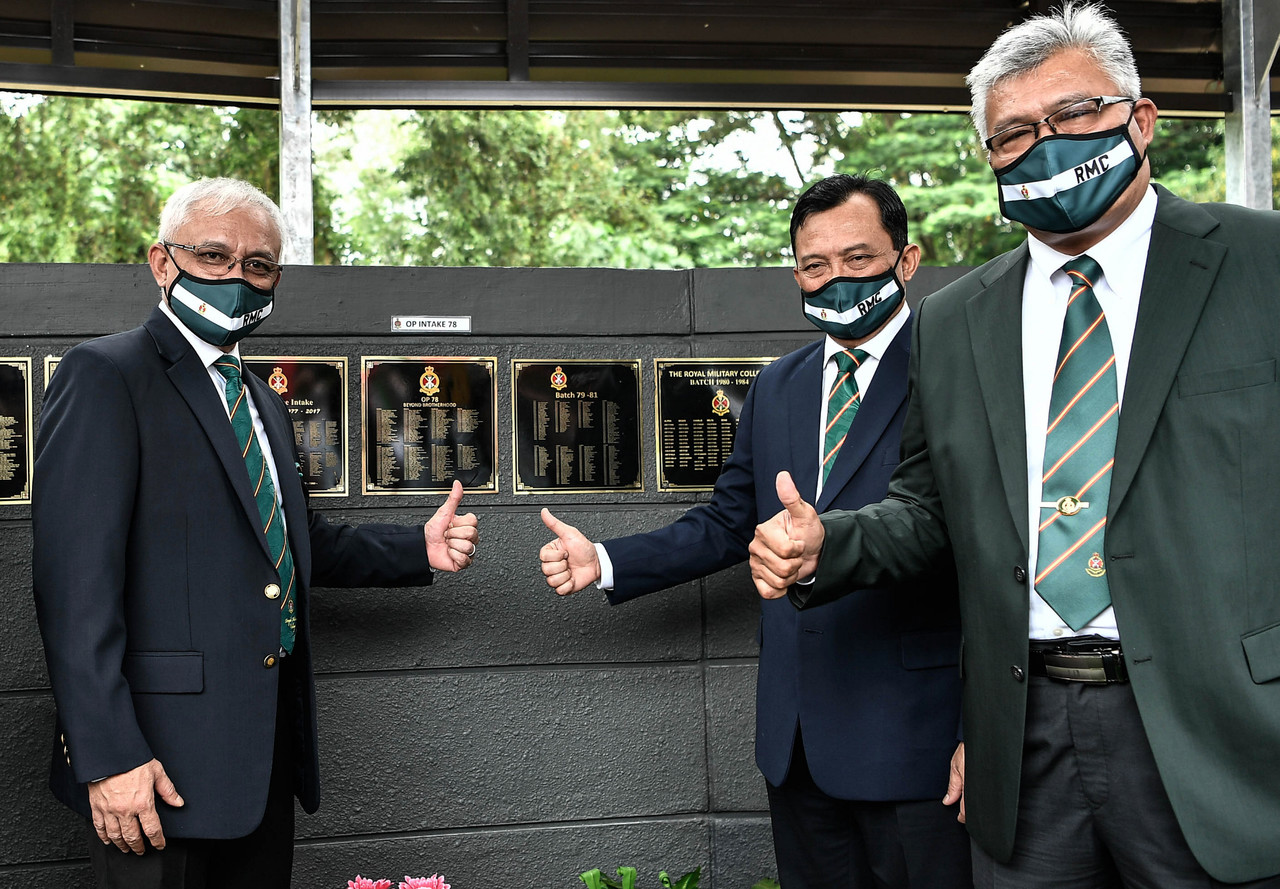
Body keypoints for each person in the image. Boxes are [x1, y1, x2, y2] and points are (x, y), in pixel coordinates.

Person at [748, 4, 1280, 887]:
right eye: (1014, 132)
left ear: (1141, 119)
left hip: (1223, 731)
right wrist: (826, 545)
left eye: (1075, 113)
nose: (1047, 143)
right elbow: (928, 508)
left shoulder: (1261, 264)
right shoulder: (956, 320)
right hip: (1024, 737)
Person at [31, 177, 480, 889]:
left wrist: (414, 549)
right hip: (152, 770)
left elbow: (283, 541)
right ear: (162, 262)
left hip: (261, 759)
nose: (236, 277)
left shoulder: (261, 400)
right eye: (214, 256)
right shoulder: (107, 374)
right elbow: (73, 586)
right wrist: (109, 756)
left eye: (258, 264)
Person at [539, 174, 970, 889]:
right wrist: (605, 560)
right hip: (797, 745)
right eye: (814, 265)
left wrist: (978, 731)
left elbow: (988, 547)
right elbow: (726, 521)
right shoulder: (779, 384)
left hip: (919, 746)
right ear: (795, 275)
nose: (836, 279)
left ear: (907, 259)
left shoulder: (958, 371)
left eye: (858, 258)